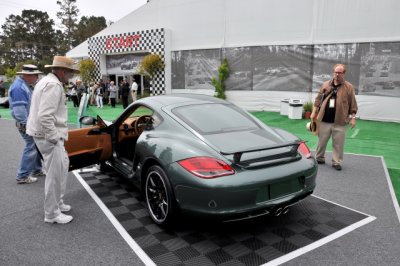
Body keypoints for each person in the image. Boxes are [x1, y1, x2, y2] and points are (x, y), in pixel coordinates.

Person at [26, 56, 79, 224]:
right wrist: (54, 138)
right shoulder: (54, 85)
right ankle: (51, 214)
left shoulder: (46, 82)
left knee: (61, 168)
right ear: (62, 71)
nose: (70, 76)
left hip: (43, 135)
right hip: (48, 136)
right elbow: (45, 116)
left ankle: (58, 203)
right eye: (70, 73)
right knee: (54, 175)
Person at [310, 63, 358, 171]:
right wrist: (314, 112)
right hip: (324, 120)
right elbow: (318, 99)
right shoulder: (326, 84)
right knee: (321, 141)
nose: (337, 74)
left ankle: (336, 162)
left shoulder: (348, 87)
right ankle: (319, 157)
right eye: (335, 72)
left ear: (344, 74)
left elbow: (353, 104)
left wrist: (353, 118)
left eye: (339, 72)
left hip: (340, 121)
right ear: (333, 72)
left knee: (338, 144)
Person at [8, 64, 44, 184]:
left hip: (27, 122)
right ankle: (22, 175)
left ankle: (36, 169)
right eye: (35, 75)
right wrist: (26, 124)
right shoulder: (19, 87)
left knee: (35, 145)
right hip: (26, 124)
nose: (37, 77)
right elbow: (19, 111)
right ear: (28, 75)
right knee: (31, 146)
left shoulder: (23, 85)